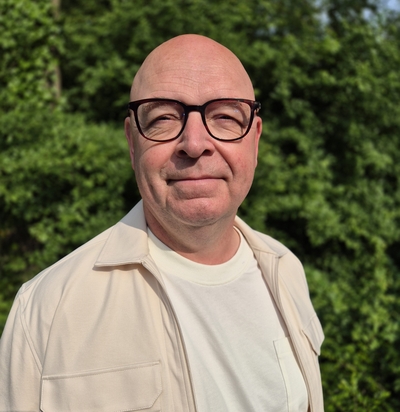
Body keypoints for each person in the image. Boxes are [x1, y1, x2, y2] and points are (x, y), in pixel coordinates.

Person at [0, 34, 324, 411]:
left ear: (255, 140)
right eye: (163, 119)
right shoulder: (45, 311)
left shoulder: (286, 271)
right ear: (131, 142)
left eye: (225, 116)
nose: (195, 143)